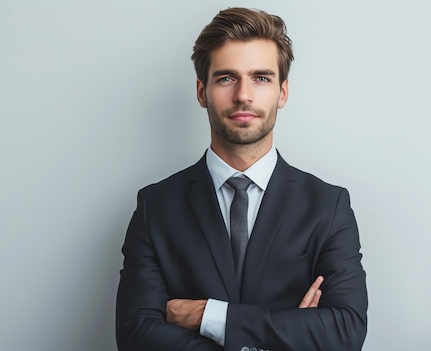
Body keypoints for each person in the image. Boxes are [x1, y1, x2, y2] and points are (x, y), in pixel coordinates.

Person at [115, 7, 368, 351]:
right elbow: (136, 336)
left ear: (282, 92)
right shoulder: (155, 206)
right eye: (226, 78)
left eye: (261, 78)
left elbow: (345, 332)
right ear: (202, 92)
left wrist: (209, 316)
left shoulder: (328, 205)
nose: (243, 95)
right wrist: (292, 333)